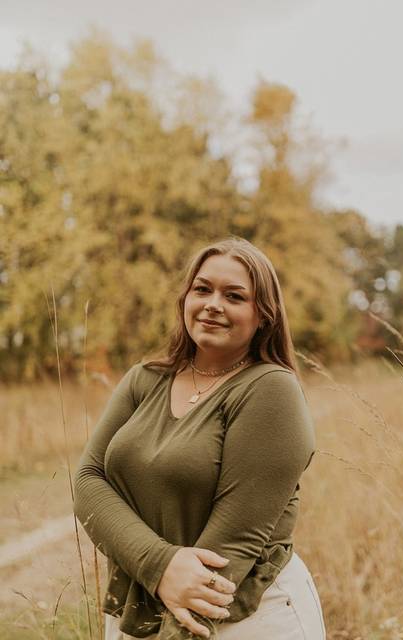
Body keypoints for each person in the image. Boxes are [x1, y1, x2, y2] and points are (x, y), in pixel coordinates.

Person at [73, 236, 327, 639]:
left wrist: (172, 613)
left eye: (234, 296)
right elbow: (87, 480)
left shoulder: (270, 390)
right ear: (185, 299)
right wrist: (158, 566)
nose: (213, 304)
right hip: (142, 607)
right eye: (202, 289)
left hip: (243, 618)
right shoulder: (146, 379)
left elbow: (233, 546)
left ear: (264, 315)